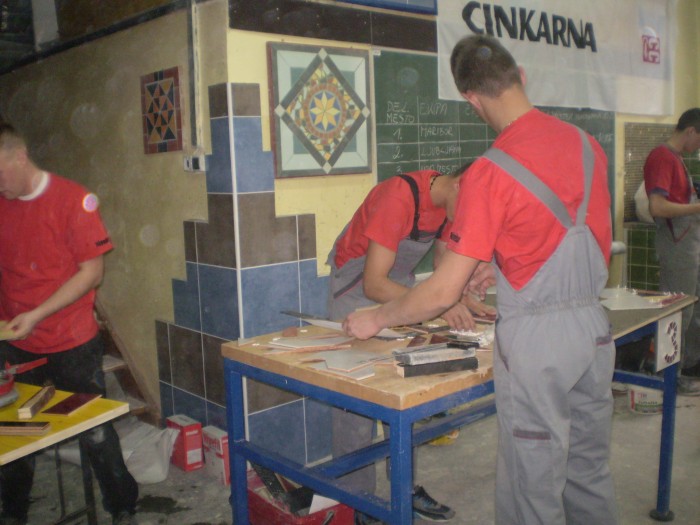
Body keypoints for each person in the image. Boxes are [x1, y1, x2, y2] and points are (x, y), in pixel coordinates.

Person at [343, 35, 619, 525]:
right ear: (521, 77)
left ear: (471, 99)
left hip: (539, 347)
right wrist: (505, 265)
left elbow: (442, 292)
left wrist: (377, 318)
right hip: (594, 332)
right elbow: (580, 235)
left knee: (532, 484)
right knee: (588, 471)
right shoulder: (587, 145)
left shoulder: (489, 171)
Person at [327, 166, 490, 523]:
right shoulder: (398, 196)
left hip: (399, 295)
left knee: (404, 391)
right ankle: (358, 501)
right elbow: (373, 284)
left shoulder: (448, 206)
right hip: (357, 295)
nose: (469, 219)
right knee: (357, 404)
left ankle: (405, 488)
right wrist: (440, 304)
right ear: (459, 186)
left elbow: (445, 269)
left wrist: (462, 295)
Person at [0, 123, 138, 525]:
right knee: (14, 432)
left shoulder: (72, 200)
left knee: (95, 431)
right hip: (15, 341)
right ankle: (13, 512)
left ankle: (123, 508)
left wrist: (36, 314)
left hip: (71, 340)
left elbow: (91, 273)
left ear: (19, 156)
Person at [644, 109, 700, 396]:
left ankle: (686, 367)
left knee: (690, 310)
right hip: (676, 244)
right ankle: (669, 376)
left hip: (687, 243)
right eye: (699, 139)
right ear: (691, 130)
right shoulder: (662, 157)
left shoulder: (676, 158)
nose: (698, 147)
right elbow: (657, 207)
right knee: (677, 312)